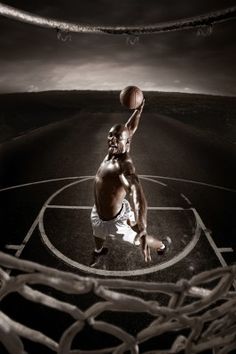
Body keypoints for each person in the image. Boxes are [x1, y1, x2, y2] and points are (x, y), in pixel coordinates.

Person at [90, 98, 169, 267]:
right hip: (98, 212)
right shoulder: (114, 150)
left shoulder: (124, 167)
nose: (111, 139)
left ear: (126, 143)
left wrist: (142, 226)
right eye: (110, 134)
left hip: (116, 222)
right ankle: (98, 251)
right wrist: (138, 111)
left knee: (140, 239)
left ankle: (161, 246)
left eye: (116, 137)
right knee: (98, 232)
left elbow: (136, 194)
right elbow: (129, 128)